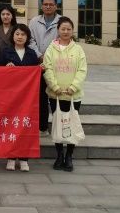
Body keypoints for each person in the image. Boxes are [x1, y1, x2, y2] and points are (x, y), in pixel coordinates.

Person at [43, 16, 87, 172]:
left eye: (69, 29)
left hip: (73, 96)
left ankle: (69, 156)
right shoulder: (51, 49)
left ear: (72, 31)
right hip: (55, 95)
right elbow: (47, 68)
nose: (66, 31)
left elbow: (82, 70)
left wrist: (73, 87)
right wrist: (54, 86)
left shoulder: (78, 49)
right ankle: (59, 155)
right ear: (58, 30)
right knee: (58, 125)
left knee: (71, 125)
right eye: (63, 29)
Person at [0, 23, 39, 172]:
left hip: (27, 98)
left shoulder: (32, 54)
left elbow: (35, 74)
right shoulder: (5, 52)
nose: (20, 37)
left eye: (23, 34)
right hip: (10, 97)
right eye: (17, 34)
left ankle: (24, 159)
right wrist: (5, 68)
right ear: (12, 36)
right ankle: (10, 157)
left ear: (27, 37)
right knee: (10, 127)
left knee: (25, 127)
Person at [28, 0, 62, 135]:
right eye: (45, 4)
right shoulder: (34, 21)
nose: (48, 6)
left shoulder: (61, 21)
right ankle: (42, 127)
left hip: (56, 65)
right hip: (38, 65)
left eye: (51, 4)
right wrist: (39, 55)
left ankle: (59, 128)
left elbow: (62, 40)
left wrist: (47, 58)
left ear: (56, 6)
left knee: (56, 96)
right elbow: (30, 40)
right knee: (41, 96)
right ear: (41, 6)